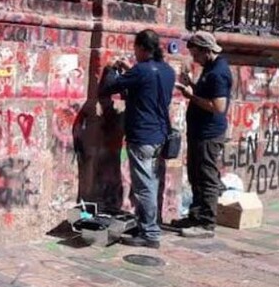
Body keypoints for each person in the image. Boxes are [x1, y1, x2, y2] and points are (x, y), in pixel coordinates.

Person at [99, 29, 176, 248]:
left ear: (142, 48)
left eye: (136, 49)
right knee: (151, 182)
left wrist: (112, 68)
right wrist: (129, 71)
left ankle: (150, 233)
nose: (135, 53)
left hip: (142, 135)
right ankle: (148, 226)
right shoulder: (168, 71)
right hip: (159, 134)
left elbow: (110, 87)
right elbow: (146, 88)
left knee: (144, 187)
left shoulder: (141, 71)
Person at [173, 32, 232, 238]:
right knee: (196, 174)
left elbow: (218, 106)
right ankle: (196, 215)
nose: (194, 58)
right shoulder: (210, 68)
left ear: (206, 51)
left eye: (196, 53)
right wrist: (191, 83)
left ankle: (206, 223)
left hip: (209, 134)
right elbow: (207, 95)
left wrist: (191, 96)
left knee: (206, 176)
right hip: (199, 132)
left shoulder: (218, 73)